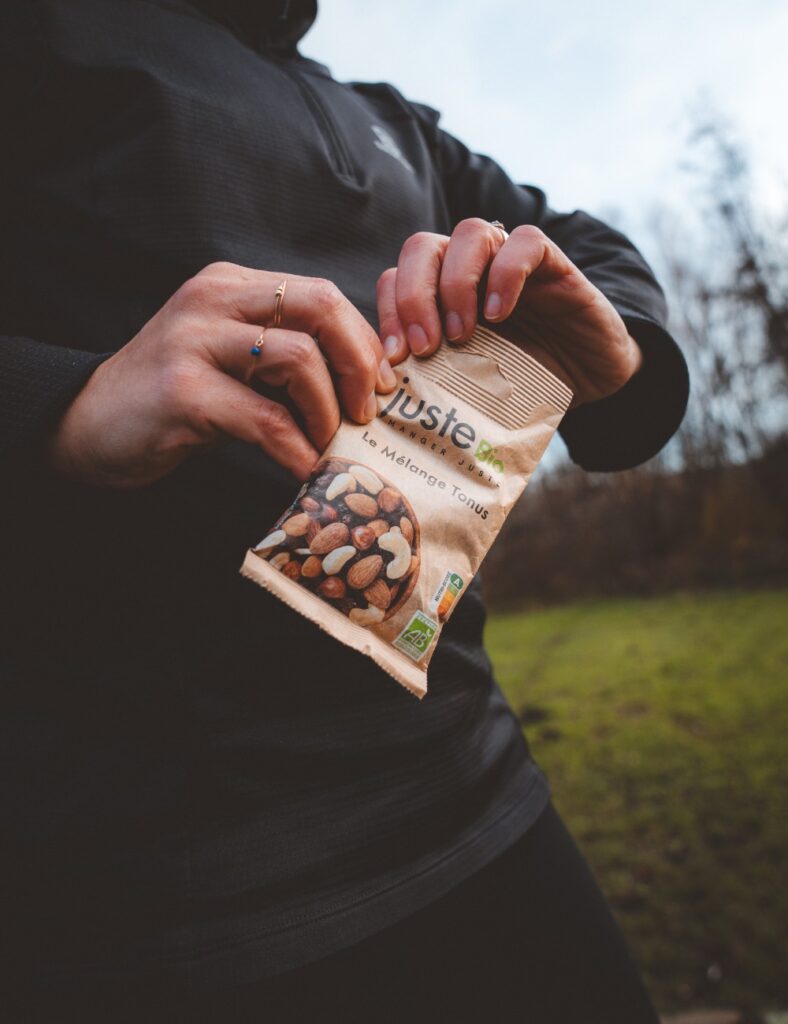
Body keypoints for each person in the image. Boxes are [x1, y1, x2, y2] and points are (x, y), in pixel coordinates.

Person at [0, 1, 689, 1020]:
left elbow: (588, 245)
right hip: (153, 899)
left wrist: (613, 338)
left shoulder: (393, 120)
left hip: (480, 794)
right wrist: (58, 401)